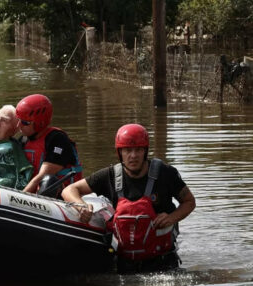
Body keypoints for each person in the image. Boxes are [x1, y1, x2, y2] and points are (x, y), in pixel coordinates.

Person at [61, 123, 196, 267]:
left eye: (138, 150)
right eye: (128, 150)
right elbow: (69, 190)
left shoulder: (166, 173)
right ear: (120, 153)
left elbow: (189, 202)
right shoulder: (109, 175)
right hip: (123, 263)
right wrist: (81, 206)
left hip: (163, 261)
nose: (133, 156)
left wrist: (171, 218)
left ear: (145, 151)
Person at [16, 94, 83, 196]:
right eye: (18, 120)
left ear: (40, 123)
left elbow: (43, 175)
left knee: (48, 180)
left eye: (25, 122)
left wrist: (19, 198)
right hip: (32, 194)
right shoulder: (23, 140)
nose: (18, 125)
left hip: (62, 196)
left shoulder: (58, 139)